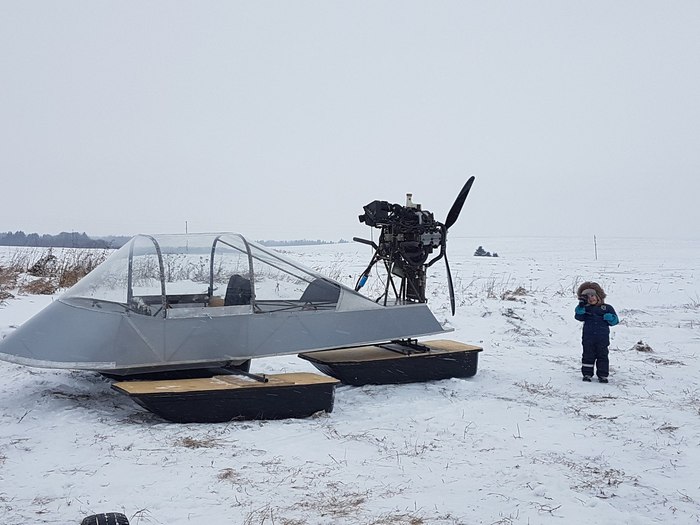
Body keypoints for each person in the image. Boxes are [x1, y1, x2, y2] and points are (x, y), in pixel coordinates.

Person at [574, 281, 619, 383]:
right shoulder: (585, 308)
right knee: (587, 355)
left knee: (602, 355)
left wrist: (610, 318)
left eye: (593, 296)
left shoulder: (607, 308)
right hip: (588, 337)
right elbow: (578, 316)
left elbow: (615, 321)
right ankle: (587, 374)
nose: (591, 298)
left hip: (602, 338)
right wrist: (580, 308)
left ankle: (603, 375)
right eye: (587, 297)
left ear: (599, 296)